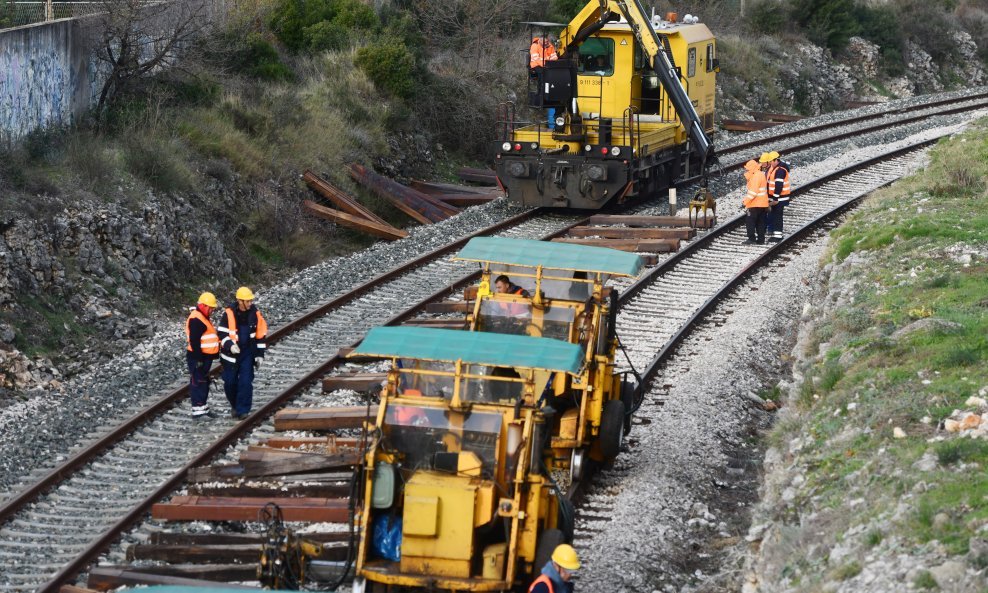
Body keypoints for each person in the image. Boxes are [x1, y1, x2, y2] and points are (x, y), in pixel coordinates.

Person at [217, 286, 268, 420]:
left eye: (251, 301)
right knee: (230, 383)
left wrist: (259, 355)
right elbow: (221, 333)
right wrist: (230, 345)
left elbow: (260, 335)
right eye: (248, 301)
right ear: (240, 301)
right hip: (230, 355)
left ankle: (243, 409)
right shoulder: (228, 314)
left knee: (245, 382)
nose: (250, 303)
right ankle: (235, 405)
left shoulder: (255, 314)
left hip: (247, 353)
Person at [185, 292, 220, 420]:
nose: (212, 310)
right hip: (198, 358)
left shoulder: (202, 316)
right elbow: (194, 341)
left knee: (203, 382)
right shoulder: (196, 319)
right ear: (203, 306)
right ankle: (198, 411)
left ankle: (203, 408)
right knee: (198, 382)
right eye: (211, 308)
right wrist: (199, 358)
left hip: (204, 357)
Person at [529, 36, 559, 130]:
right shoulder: (534, 46)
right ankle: (541, 94)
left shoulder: (550, 46)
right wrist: (546, 64)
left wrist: (551, 64)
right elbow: (536, 59)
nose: (546, 43)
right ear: (540, 41)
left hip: (547, 66)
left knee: (553, 75)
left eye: (547, 42)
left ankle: (551, 93)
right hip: (536, 65)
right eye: (545, 42)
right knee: (542, 75)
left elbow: (554, 56)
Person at [760, 151, 791, 241]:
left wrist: (775, 198)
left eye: (771, 161)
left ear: (775, 160)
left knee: (777, 216)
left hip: (780, 198)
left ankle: (778, 236)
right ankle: (776, 234)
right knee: (775, 214)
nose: (770, 163)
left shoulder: (780, 170)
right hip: (777, 197)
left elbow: (778, 185)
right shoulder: (775, 168)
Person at [742, 159, 769, 244]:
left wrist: (745, 202)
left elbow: (753, 192)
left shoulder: (755, 176)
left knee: (750, 221)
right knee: (761, 222)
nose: (747, 170)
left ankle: (751, 238)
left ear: (752, 168)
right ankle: (761, 239)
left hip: (754, 204)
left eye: (748, 169)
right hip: (763, 204)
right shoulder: (761, 174)